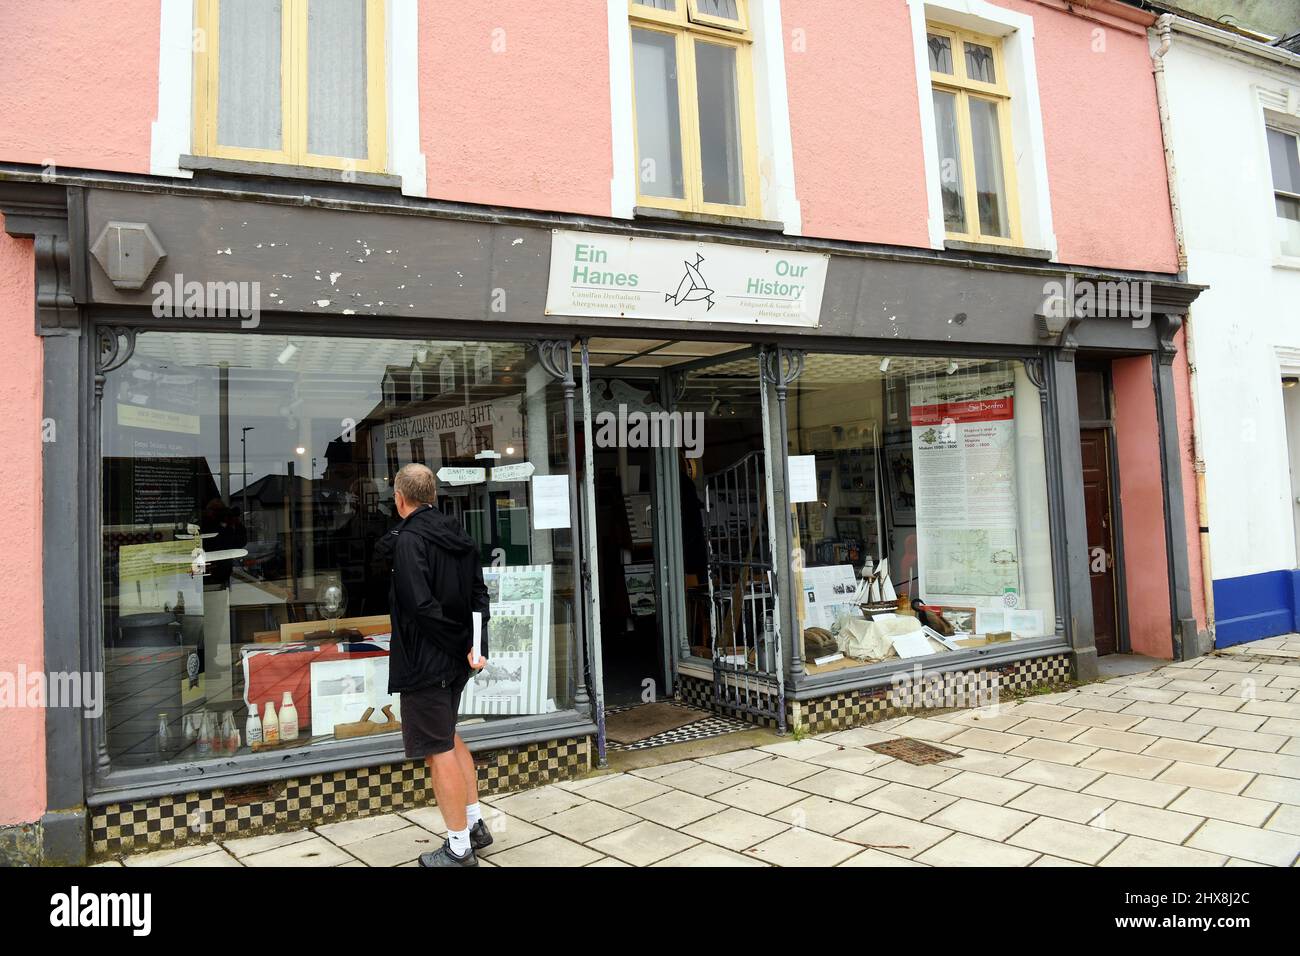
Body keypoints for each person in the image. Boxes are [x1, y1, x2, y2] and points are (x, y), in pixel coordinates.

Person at [385, 463, 491, 867]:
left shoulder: (409, 541)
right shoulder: (457, 533)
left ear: (400, 498)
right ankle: (475, 823)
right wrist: (473, 646)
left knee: (439, 748)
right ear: (432, 495)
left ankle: (459, 848)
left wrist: (462, 643)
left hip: (426, 661)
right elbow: (479, 594)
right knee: (447, 736)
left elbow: (421, 607)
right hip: (455, 660)